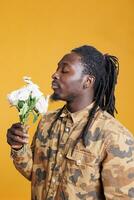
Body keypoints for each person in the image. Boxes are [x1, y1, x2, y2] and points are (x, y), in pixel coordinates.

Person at [7, 45, 134, 200]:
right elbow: (36, 174)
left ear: (87, 81)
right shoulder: (47, 121)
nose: (54, 75)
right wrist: (19, 147)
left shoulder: (115, 137)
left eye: (65, 70)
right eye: (57, 69)